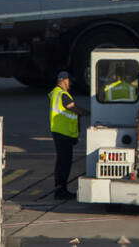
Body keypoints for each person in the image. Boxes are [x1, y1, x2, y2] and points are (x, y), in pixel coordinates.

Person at [48, 71, 84, 200]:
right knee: (64, 163)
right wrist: (88, 112)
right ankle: (61, 191)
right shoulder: (62, 94)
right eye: (69, 81)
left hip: (61, 132)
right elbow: (73, 108)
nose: (70, 84)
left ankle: (60, 189)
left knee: (61, 162)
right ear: (63, 80)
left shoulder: (56, 93)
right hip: (63, 134)